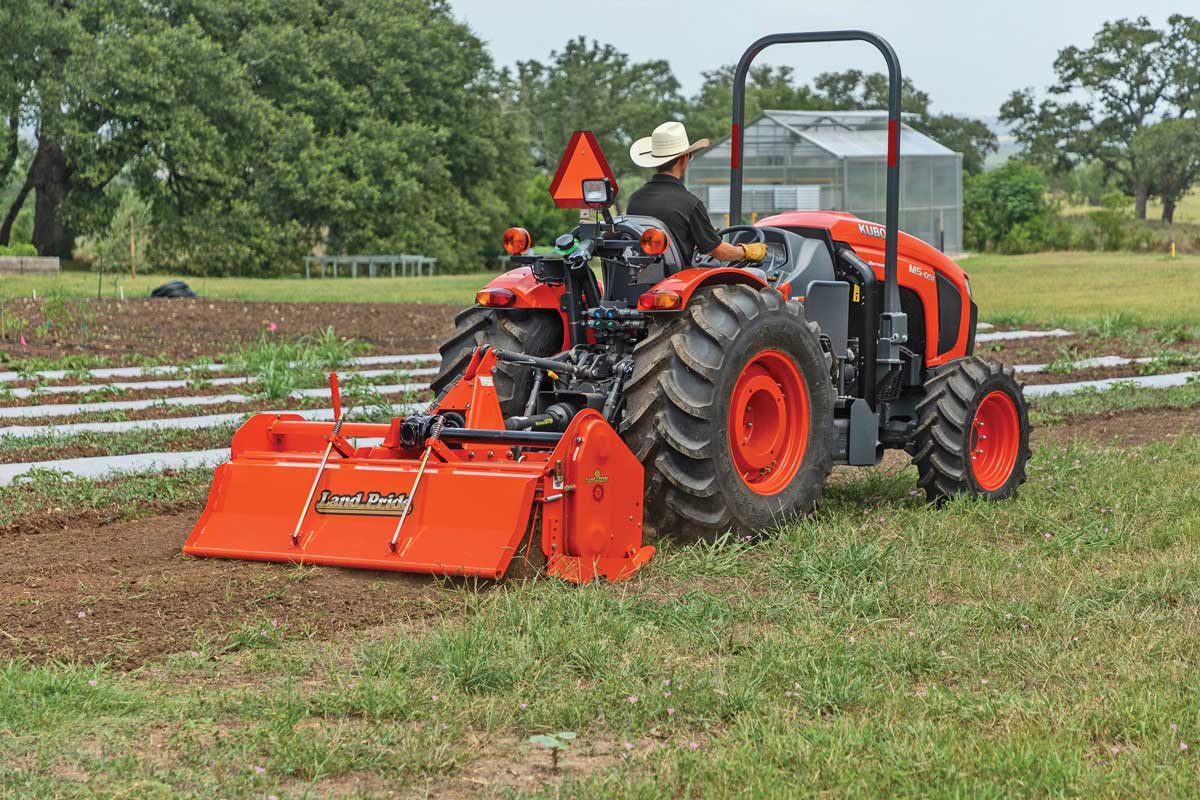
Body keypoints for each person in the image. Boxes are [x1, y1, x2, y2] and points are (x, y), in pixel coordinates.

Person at [626, 121, 768, 265]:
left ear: (656, 162)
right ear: (684, 159)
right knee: (758, 274)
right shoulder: (689, 204)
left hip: (638, 277)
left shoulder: (635, 199)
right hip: (676, 281)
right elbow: (717, 251)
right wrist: (746, 251)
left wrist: (701, 232)